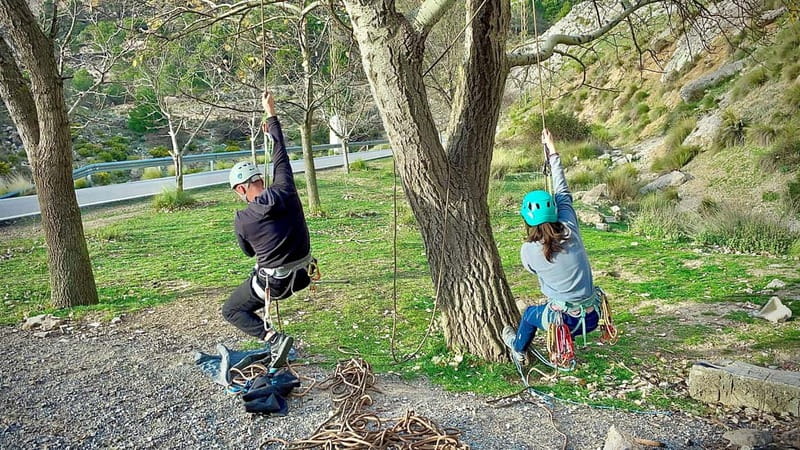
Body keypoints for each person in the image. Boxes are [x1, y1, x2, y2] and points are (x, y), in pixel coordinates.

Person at [222, 91, 315, 368]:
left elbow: (248, 252)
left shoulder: (243, 218)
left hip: (274, 285)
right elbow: (281, 155)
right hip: (302, 276)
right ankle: (275, 340)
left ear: (241, 189)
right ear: (260, 179)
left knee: (231, 310)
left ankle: (272, 338)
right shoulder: (286, 189)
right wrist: (270, 114)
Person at [502, 128, 602, 367]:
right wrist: (552, 151)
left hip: (563, 322)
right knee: (558, 307)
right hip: (592, 318)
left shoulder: (529, 251)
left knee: (529, 315)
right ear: (555, 210)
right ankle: (564, 341)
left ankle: (518, 349)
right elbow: (563, 191)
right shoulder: (570, 229)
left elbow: (533, 270)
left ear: (526, 219)